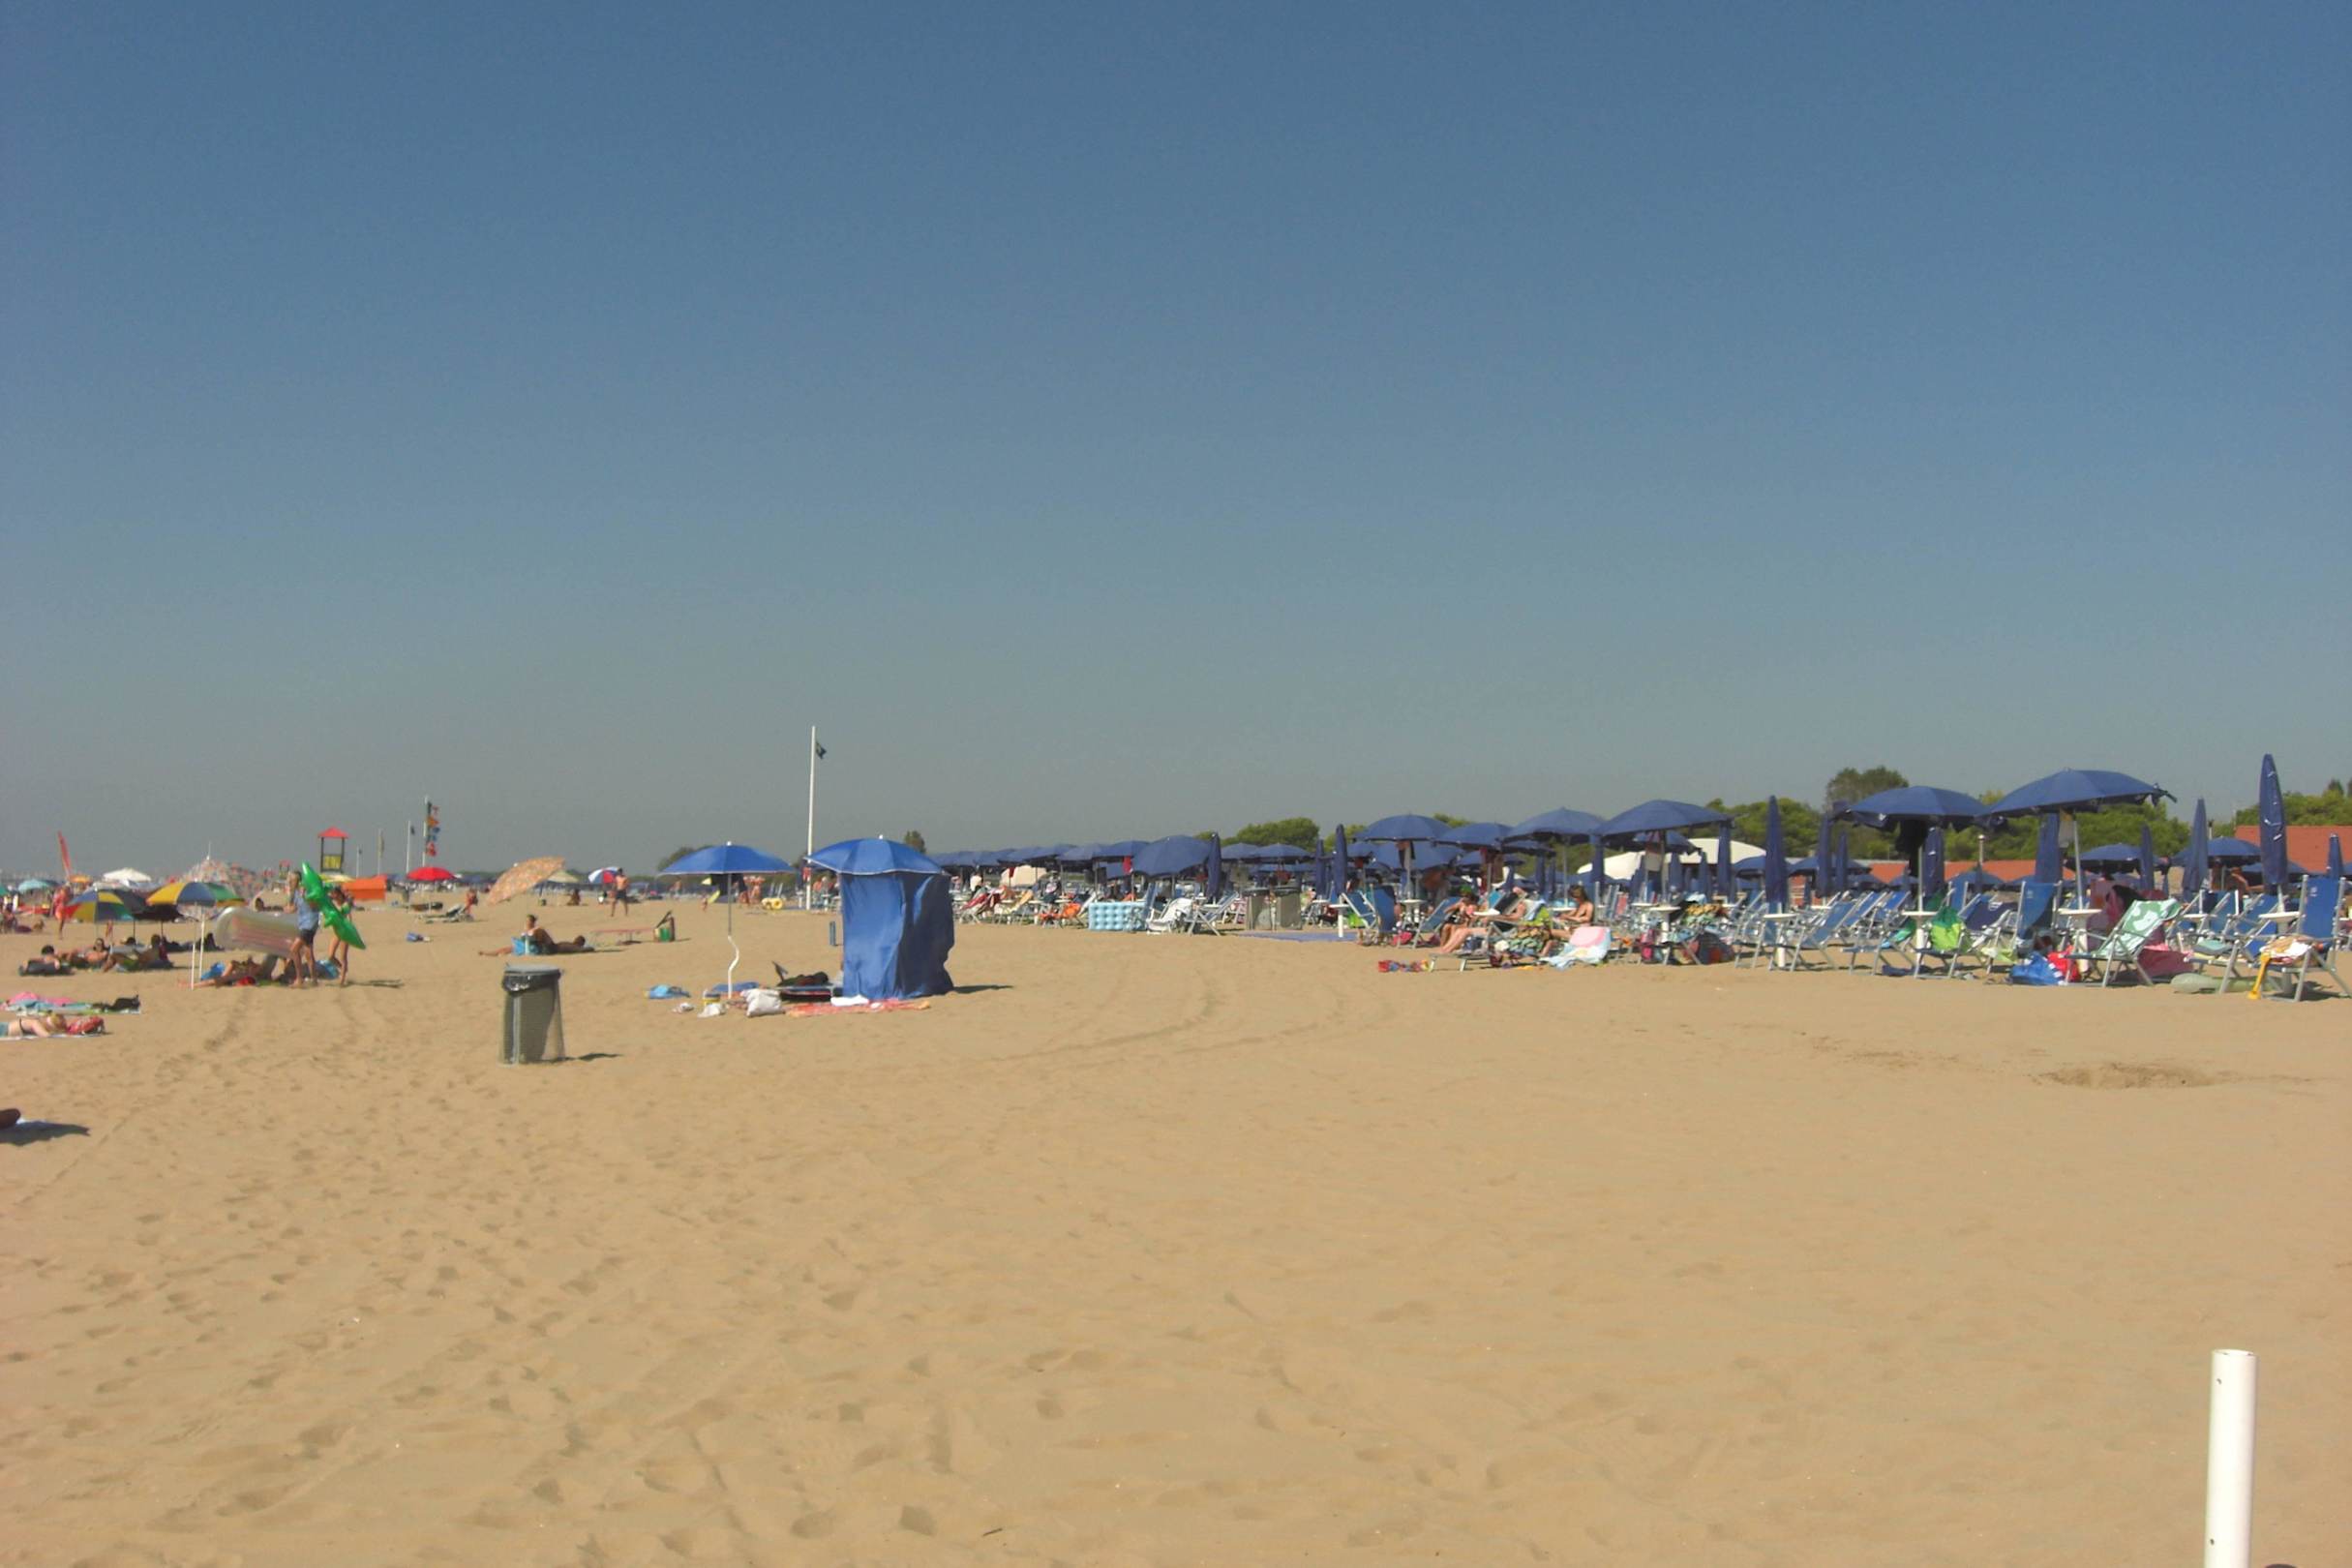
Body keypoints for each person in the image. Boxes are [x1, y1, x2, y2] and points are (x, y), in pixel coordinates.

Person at [286, 877, 320, 986]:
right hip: (304, 925)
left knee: (294, 950)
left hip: (309, 924)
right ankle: (314, 980)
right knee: (308, 954)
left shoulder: (306, 891)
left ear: (298, 881)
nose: (290, 882)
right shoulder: (296, 894)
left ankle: (299, 979)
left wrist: (305, 896)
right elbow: (294, 909)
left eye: (292, 880)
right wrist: (284, 910)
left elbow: (314, 906)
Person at [324, 889, 356, 985]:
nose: (332, 896)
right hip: (336, 932)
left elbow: (349, 919)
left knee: (343, 956)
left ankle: (342, 979)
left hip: (345, 932)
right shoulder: (333, 904)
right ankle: (343, 969)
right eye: (332, 894)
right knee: (330, 956)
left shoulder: (345, 905)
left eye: (334, 894)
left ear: (338, 895)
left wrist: (349, 928)